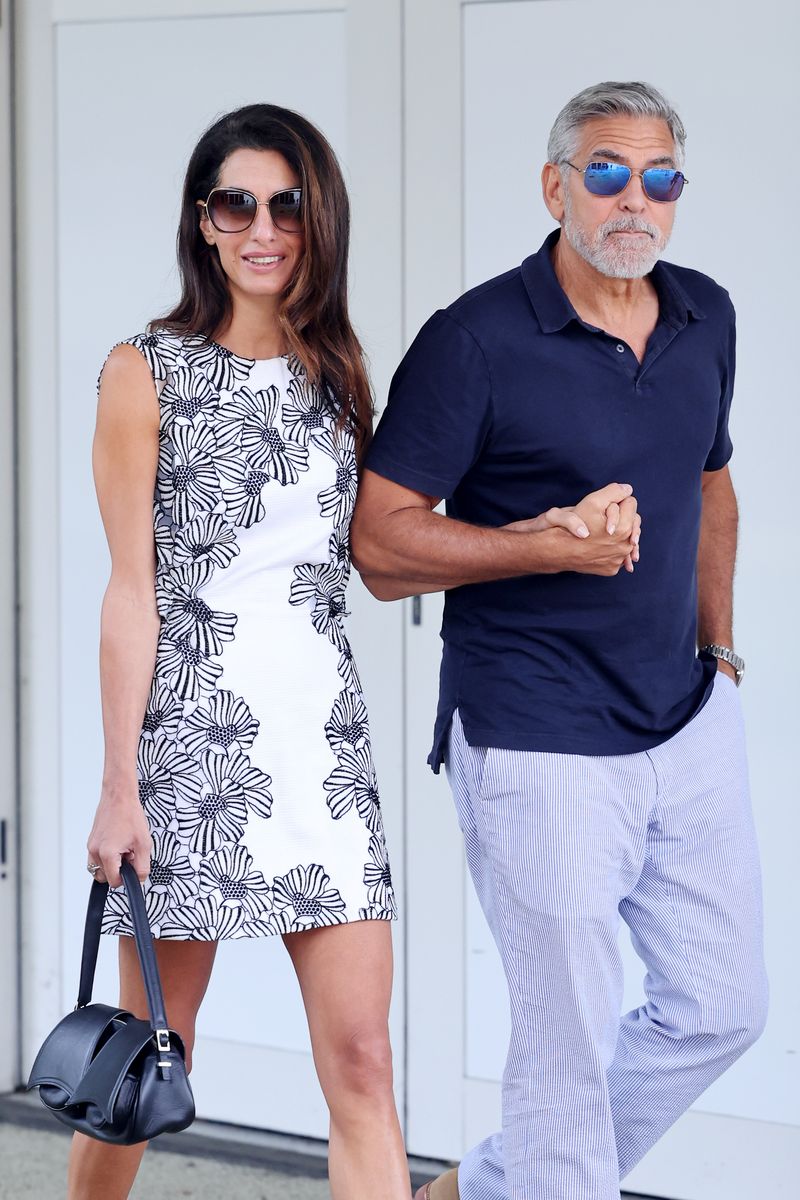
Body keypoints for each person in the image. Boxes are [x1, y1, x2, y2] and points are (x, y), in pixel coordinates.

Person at [351, 81, 767, 1200]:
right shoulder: (474, 340)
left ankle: (489, 1186)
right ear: (555, 186)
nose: (635, 199)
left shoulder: (702, 315)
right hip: (533, 733)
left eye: (659, 178)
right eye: (606, 173)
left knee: (720, 1008)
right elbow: (380, 547)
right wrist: (539, 544)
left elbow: (712, 492)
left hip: (680, 719)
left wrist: (717, 658)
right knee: (564, 1059)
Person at [73, 103, 411, 1200]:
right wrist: (119, 789)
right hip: (192, 756)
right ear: (203, 221)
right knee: (140, 1062)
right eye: (237, 203)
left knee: (362, 1064)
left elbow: (371, 557)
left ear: (320, 218)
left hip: (322, 749)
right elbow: (132, 593)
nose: (263, 227)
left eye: (287, 204)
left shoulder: (339, 372)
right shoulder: (146, 371)